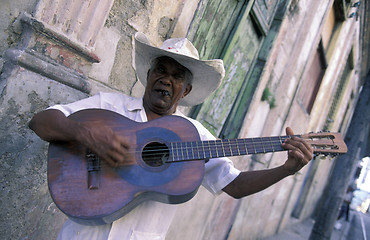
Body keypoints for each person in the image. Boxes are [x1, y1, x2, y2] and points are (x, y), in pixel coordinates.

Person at [29, 32, 313, 240]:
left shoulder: (195, 136)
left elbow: (234, 184)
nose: (166, 79)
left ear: (185, 91)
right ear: (149, 75)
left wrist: (287, 169)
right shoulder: (108, 106)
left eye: (177, 76)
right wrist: (87, 135)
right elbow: (41, 121)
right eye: (161, 70)